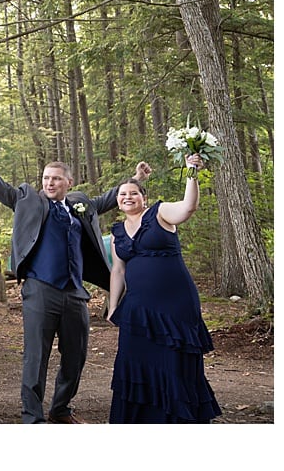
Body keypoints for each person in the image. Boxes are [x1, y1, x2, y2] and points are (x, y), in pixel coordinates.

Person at [0, 137, 151, 423]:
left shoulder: (80, 205)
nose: (50, 183)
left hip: (75, 292)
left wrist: (136, 179)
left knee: (75, 356)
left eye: (56, 179)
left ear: (69, 182)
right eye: (46, 178)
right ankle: (33, 416)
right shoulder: (28, 200)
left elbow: (109, 199)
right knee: (36, 357)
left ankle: (61, 408)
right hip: (40, 290)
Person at [107, 153, 221, 423]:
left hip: (174, 304)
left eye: (133, 193)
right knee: (136, 359)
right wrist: (113, 307)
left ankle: (177, 419)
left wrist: (191, 172)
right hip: (137, 308)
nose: (127, 197)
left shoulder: (160, 213)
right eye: (123, 194)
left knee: (172, 360)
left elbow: (188, 207)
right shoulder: (117, 232)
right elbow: (118, 270)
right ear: (117, 201)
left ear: (143, 197)